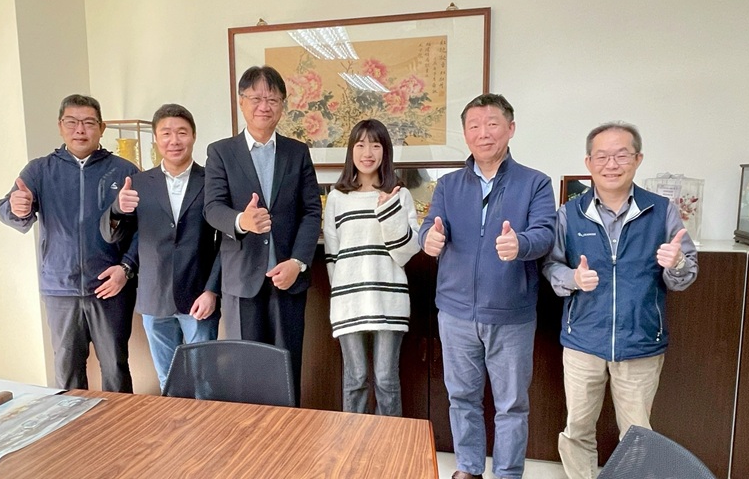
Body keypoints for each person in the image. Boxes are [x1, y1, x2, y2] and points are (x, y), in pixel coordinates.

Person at [542, 122, 698, 479]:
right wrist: (573, 279)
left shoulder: (662, 210)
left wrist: (676, 263)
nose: (611, 164)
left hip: (640, 342)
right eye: (602, 156)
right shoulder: (570, 213)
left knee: (638, 437)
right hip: (583, 341)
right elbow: (551, 266)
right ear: (588, 162)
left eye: (621, 155)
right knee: (577, 429)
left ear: (638, 159)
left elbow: (685, 275)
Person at [418, 93, 556, 479]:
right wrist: (428, 238)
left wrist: (520, 244)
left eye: (492, 124)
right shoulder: (448, 185)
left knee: (511, 404)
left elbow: (545, 233)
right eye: (474, 126)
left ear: (510, 129)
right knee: (462, 397)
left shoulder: (535, 183)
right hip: (456, 313)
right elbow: (430, 225)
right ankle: (468, 468)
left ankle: (508, 473)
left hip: (511, 313)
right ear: (465, 133)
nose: (484, 133)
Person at [0, 94, 138, 392]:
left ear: (101, 128)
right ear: (60, 126)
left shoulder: (124, 171)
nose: (80, 130)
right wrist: (17, 208)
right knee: (67, 372)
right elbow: (8, 210)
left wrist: (126, 268)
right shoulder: (39, 170)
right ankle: (73, 422)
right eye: (71, 122)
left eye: (89, 123)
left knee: (115, 367)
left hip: (110, 288)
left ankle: (123, 422)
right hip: (60, 288)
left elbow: (144, 231)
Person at [204, 65, 321, 405]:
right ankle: (248, 435)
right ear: (241, 102)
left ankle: (288, 435)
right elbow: (212, 208)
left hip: (287, 279)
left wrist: (298, 262)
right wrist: (242, 220)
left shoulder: (297, 152)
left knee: (286, 369)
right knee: (245, 372)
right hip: (241, 280)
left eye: (272, 99)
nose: (264, 106)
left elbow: (311, 210)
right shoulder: (221, 152)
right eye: (256, 98)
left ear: (283, 105)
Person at [100, 104, 221, 391]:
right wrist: (117, 209)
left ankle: (205, 423)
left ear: (193, 136)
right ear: (155, 139)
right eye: (166, 133)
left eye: (182, 132)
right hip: (154, 298)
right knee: (168, 380)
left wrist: (212, 290)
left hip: (199, 296)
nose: (174, 140)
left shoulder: (213, 181)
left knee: (205, 381)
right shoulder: (139, 183)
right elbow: (114, 235)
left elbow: (225, 243)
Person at [323, 119, 420, 416]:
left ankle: (390, 439)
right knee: (355, 379)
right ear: (351, 150)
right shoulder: (337, 197)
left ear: (385, 151)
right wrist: (341, 293)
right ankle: (353, 439)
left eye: (376, 145)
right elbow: (332, 253)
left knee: (386, 378)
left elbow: (406, 251)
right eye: (361, 145)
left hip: (389, 297)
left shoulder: (400, 194)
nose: (368, 152)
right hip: (349, 300)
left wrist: (388, 210)